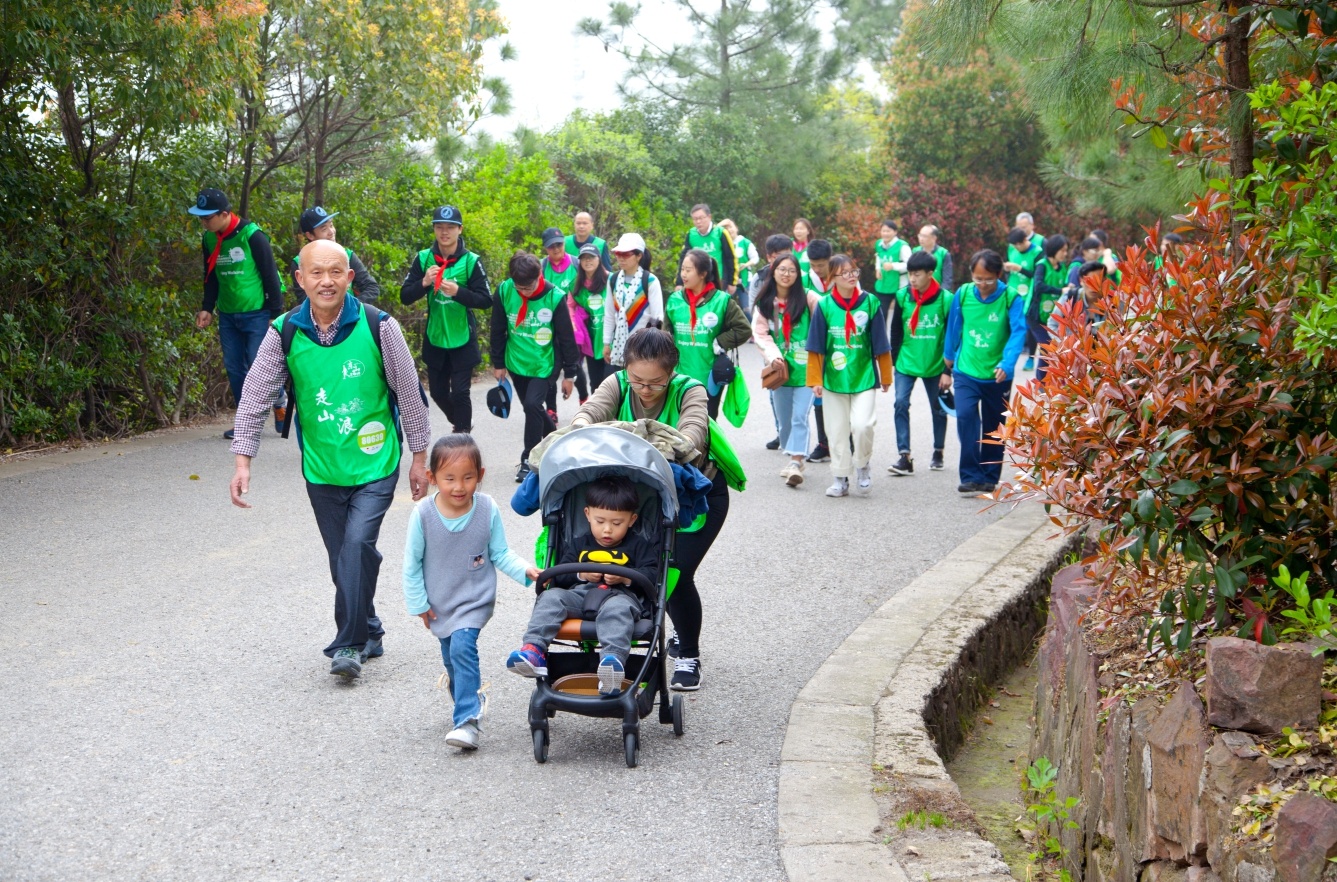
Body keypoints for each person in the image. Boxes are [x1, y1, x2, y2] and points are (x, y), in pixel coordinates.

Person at [228, 239, 431, 678]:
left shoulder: (380, 326)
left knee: (356, 545)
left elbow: (410, 396)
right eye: (315, 273)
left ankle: (350, 644)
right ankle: (371, 626)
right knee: (345, 555)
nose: (326, 281)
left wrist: (419, 457)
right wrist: (243, 459)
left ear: (349, 278)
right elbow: (256, 395)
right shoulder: (282, 332)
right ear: (299, 279)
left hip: (376, 461)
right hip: (322, 466)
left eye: (335, 272)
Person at [570, 327, 737, 691]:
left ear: (671, 373)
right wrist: (580, 429)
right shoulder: (616, 384)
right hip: (643, 495)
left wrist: (659, 441)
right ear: (626, 370)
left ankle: (689, 654)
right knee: (639, 566)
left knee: (673, 574)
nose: (645, 390)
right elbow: (591, 411)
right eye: (637, 382)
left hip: (698, 495)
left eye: (656, 383)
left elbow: (692, 432)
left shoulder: (689, 390)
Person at [404, 434, 538, 750]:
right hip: (439, 600)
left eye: (467, 477)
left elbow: (500, 552)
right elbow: (411, 563)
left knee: (463, 646)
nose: (459, 486)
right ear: (432, 477)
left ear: (480, 474)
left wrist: (526, 571)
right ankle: (470, 692)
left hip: (475, 597)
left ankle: (466, 721)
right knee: (452, 656)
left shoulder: (487, 508)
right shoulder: (422, 514)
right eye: (449, 478)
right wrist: (419, 604)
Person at [507, 475, 658, 695]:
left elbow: (652, 575)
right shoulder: (579, 544)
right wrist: (582, 573)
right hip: (580, 596)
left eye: (617, 523)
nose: (607, 530)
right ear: (587, 514)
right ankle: (534, 649)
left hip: (621, 597)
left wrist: (625, 578)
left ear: (632, 520)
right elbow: (560, 575)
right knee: (550, 597)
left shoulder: (639, 545)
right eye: (600, 521)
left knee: (617, 610)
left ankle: (612, 662)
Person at [189, 188, 285, 439]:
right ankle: (247, 423)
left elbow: (270, 275)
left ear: (223, 214)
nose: (203, 222)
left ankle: (279, 400)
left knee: (258, 366)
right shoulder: (209, 239)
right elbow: (210, 277)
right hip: (228, 315)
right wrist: (207, 307)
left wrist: (275, 314)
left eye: (207, 217)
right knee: (234, 369)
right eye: (201, 218)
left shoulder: (252, 236)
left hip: (257, 314)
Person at [399, 205, 492, 435]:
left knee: (461, 393)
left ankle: (462, 437)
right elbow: (405, 296)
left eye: (450, 227)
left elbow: (486, 300)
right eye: (439, 227)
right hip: (435, 338)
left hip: (462, 338)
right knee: (438, 393)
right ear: (434, 229)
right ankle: (461, 422)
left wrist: (458, 292)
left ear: (460, 229)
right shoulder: (423, 258)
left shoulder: (471, 261)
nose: (444, 232)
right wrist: (424, 283)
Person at [805, 253, 892, 498]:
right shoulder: (824, 305)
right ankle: (840, 477)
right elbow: (816, 345)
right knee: (836, 429)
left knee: (863, 425)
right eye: (845, 273)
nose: (852, 276)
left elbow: (880, 343)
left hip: (863, 376)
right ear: (833, 278)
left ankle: (863, 465)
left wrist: (885, 375)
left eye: (854, 271)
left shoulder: (870, 302)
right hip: (833, 378)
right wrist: (815, 380)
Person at [489, 253, 580, 482]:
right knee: (533, 408)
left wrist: (570, 374)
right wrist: (498, 363)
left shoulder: (554, 296)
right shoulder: (504, 291)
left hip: (545, 363)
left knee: (532, 404)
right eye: (520, 287)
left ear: (539, 274)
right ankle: (558, 441)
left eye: (528, 287)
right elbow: (497, 328)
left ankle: (528, 459)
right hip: (517, 362)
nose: (524, 292)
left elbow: (567, 338)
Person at [943, 250, 1027, 495]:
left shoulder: (1011, 298)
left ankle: (989, 476)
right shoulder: (964, 293)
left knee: (994, 426)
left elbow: (1018, 332)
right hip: (966, 370)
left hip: (997, 374)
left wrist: (1007, 363)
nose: (982, 285)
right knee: (967, 416)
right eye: (977, 278)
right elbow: (954, 327)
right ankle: (970, 476)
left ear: (999, 275)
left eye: (988, 279)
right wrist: (946, 363)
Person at [753, 254, 819, 487]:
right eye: (782, 269)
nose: (787, 274)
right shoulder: (765, 303)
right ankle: (794, 455)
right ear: (774, 272)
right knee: (784, 422)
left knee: (800, 416)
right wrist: (774, 356)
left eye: (792, 270)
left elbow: (828, 317)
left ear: (798, 274)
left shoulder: (809, 298)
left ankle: (795, 460)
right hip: (780, 372)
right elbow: (760, 334)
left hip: (806, 371)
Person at [665, 249, 752, 419]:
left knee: (706, 423)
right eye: (682, 269)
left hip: (710, 376)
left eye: (688, 270)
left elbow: (744, 329)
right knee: (678, 421)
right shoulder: (675, 300)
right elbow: (666, 334)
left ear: (703, 273)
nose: (683, 274)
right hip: (678, 375)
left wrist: (720, 342)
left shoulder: (722, 300)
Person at [887, 250, 951, 476]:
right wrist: (894, 361)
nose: (912, 279)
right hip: (906, 362)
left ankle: (938, 451)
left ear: (931, 273)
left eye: (917, 274)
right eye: (910, 274)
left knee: (938, 409)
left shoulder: (946, 299)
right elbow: (895, 331)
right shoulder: (903, 296)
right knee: (900, 403)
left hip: (934, 365)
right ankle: (904, 456)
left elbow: (953, 337)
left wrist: (947, 370)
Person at [290, 205, 380, 305]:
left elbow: (371, 287)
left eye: (331, 225)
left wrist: (352, 308)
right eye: (324, 229)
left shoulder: (347, 256)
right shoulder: (300, 262)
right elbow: (303, 299)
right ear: (310, 235)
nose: (331, 232)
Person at [603, 233, 665, 368]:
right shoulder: (613, 280)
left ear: (639, 256)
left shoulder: (650, 281)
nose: (620, 258)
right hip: (618, 347)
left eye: (626, 254)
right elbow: (609, 314)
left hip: (642, 350)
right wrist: (606, 343)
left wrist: (650, 350)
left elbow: (657, 318)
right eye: (618, 254)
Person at [801, 239, 836, 463]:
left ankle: (845, 438)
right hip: (814, 345)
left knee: (842, 392)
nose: (817, 269)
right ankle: (824, 442)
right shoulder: (803, 280)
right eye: (813, 265)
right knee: (819, 394)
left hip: (840, 344)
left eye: (821, 265)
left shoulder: (842, 278)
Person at [541, 226, 579, 418]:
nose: (556, 249)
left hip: (574, 324)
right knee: (550, 368)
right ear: (545, 249)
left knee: (575, 362)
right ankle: (551, 409)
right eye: (551, 246)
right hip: (548, 324)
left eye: (559, 244)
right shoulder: (541, 267)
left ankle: (586, 400)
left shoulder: (576, 263)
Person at [1026, 235, 1073, 382]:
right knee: (1047, 346)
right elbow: (1038, 285)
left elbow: (1065, 285)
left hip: (1052, 317)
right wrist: (1060, 291)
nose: (1065, 254)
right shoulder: (1042, 265)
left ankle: (1047, 381)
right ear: (1054, 249)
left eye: (1066, 251)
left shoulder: (1062, 267)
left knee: (1050, 348)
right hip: (1036, 316)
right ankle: (1041, 383)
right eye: (1063, 250)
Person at [568, 243, 610, 399]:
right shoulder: (575, 284)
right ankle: (599, 418)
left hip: (610, 341)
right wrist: (573, 325)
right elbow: (570, 306)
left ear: (599, 259)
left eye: (591, 257)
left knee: (611, 382)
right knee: (596, 383)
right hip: (591, 340)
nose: (587, 261)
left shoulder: (611, 280)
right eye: (584, 258)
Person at [675, 204, 740, 295]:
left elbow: (731, 257)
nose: (698, 221)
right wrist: (679, 282)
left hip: (718, 280)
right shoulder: (691, 234)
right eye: (695, 219)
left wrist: (732, 282)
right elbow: (683, 259)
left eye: (701, 218)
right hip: (697, 281)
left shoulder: (721, 233)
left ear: (709, 217)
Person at [1005, 226, 1044, 371]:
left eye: (1017, 245)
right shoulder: (1011, 249)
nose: (1015, 247)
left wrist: (1020, 269)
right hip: (1012, 294)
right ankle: (1006, 357)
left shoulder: (1037, 252)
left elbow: (1038, 275)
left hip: (1028, 296)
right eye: (1013, 245)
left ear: (1024, 240)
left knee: (1029, 329)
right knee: (1009, 325)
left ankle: (1030, 358)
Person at [1048, 261, 1110, 340]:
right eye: (1089, 281)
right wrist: (1064, 344)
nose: (1093, 286)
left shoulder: (1113, 303)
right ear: (1081, 281)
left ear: (1104, 280)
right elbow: (1052, 323)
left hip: (1104, 350)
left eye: (1097, 281)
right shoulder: (1070, 298)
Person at [873, 219, 913, 330]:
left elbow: (910, 264)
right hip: (884, 284)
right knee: (881, 314)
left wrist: (893, 266)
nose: (885, 233)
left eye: (888, 231)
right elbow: (878, 257)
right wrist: (877, 269)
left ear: (895, 232)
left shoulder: (902, 246)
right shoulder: (879, 244)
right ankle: (882, 341)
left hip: (900, 285)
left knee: (900, 315)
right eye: (883, 231)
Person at [719, 218, 759, 310]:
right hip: (729, 280)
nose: (729, 230)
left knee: (747, 309)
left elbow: (755, 258)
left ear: (736, 228)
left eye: (731, 227)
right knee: (725, 308)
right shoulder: (722, 243)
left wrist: (745, 264)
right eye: (726, 228)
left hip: (745, 280)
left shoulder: (745, 242)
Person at [912, 224, 954, 291]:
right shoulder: (915, 252)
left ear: (934, 238)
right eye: (920, 235)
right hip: (918, 293)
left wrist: (940, 295)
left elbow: (947, 279)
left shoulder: (943, 253)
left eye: (924, 236)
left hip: (937, 293)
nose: (921, 239)